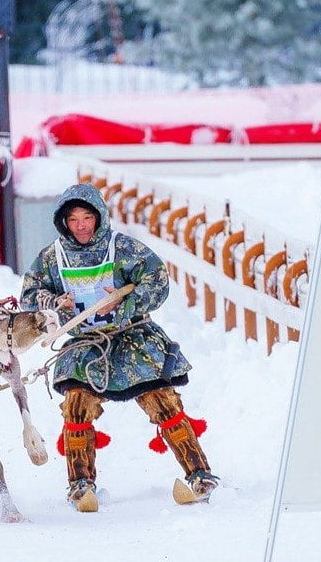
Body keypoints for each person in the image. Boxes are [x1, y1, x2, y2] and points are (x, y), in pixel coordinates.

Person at [20, 182, 220, 511]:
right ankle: (80, 483)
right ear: (63, 222)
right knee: (76, 406)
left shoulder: (123, 248)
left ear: (99, 217)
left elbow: (156, 278)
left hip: (133, 339)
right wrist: (55, 302)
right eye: (73, 220)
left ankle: (200, 474)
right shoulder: (52, 257)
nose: (81, 225)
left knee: (162, 401)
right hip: (87, 344)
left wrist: (124, 304)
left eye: (87, 217)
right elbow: (30, 295)